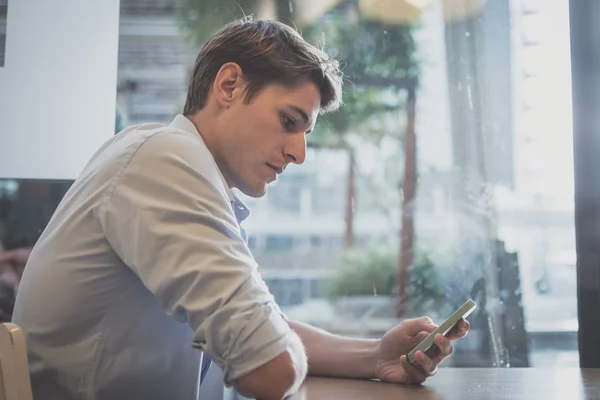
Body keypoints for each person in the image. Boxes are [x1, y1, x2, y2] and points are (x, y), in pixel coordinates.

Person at [12, 18, 469, 400]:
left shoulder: (174, 166)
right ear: (229, 85)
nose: (299, 153)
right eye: (289, 122)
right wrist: (268, 337)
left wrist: (374, 356)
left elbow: (258, 330)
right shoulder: (164, 161)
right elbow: (270, 367)